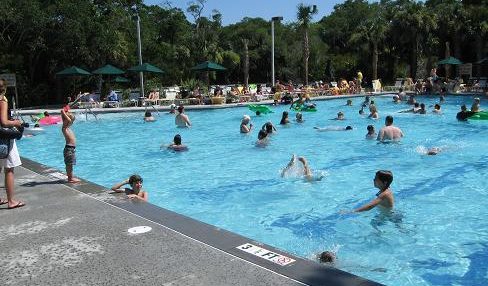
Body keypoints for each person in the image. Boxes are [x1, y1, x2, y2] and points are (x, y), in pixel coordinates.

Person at [0, 78, 25, 209]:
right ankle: (11, 201)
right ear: (4, 89)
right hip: (4, 139)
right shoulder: (2, 100)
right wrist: (16, 123)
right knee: (9, 169)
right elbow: (4, 122)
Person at [61, 108, 80, 183]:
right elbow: (67, 120)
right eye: (71, 121)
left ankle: (70, 177)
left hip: (71, 149)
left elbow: (68, 120)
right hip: (69, 149)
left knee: (70, 164)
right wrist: (62, 111)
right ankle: (70, 178)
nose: (71, 122)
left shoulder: (68, 128)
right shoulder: (64, 128)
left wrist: (65, 113)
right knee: (69, 165)